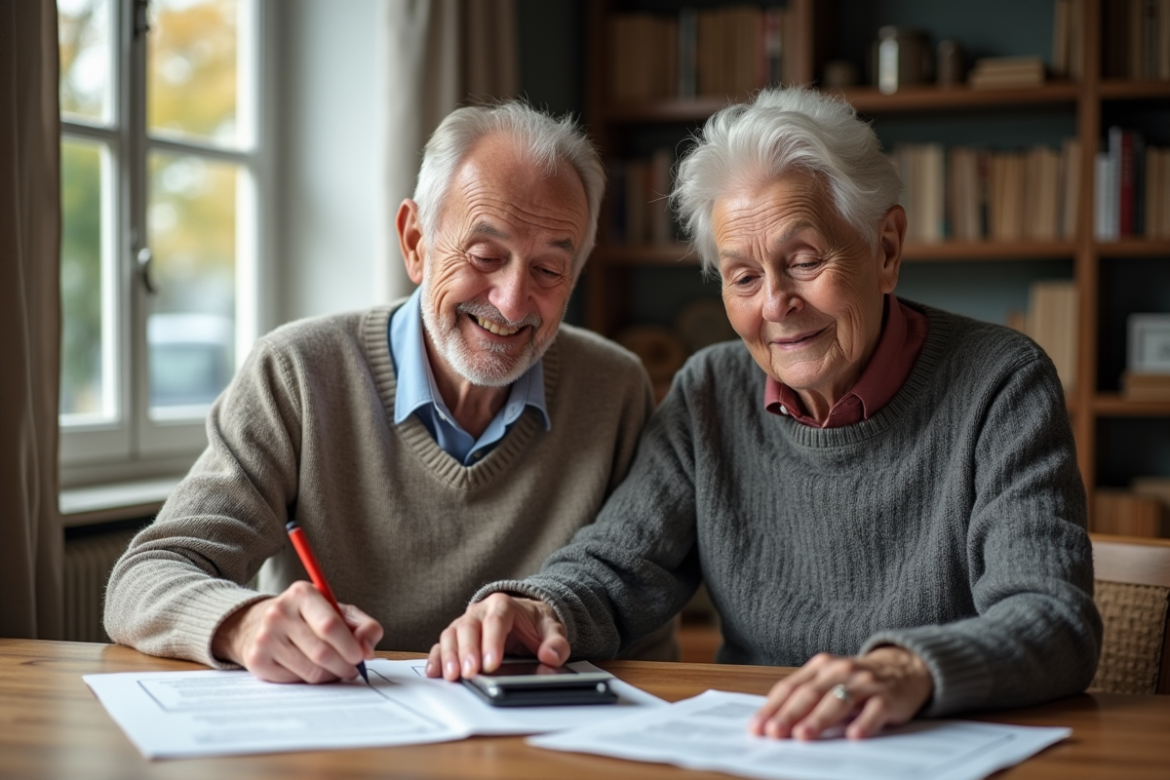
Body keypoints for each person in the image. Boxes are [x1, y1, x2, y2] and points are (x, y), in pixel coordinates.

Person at [426, 86, 1102, 740]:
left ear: (886, 248)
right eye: (743, 277)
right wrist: (537, 609)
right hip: (763, 746)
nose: (776, 303)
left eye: (804, 261)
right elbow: (618, 570)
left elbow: (1052, 618)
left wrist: (908, 669)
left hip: (940, 749)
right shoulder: (710, 393)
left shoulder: (1001, 383)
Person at [104, 101, 675, 683]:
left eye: (549, 270)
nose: (511, 301)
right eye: (485, 256)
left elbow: (641, 620)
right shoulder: (298, 372)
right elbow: (145, 576)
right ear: (414, 241)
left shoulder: (615, 387)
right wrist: (244, 624)